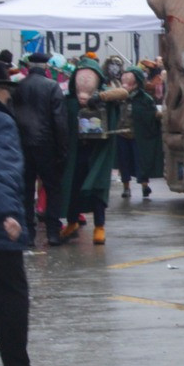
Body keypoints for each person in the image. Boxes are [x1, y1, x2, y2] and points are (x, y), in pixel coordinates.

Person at [0, 61, 56, 366]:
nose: (7, 96)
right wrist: (9, 214)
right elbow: (2, 172)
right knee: (11, 296)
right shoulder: (0, 122)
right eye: (5, 89)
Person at [60, 56, 128, 245]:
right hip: (75, 153)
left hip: (97, 153)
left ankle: (99, 226)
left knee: (97, 188)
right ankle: (72, 221)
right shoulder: (69, 101)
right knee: (73, 187)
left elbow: (122, 93)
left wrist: (99, 97)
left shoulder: (104, 98)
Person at [12, 52, 69, 247]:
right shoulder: (52, 87)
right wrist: (63, 150)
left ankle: (28, 233)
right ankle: (53, 232)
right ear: (46, 67)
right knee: (53, 189)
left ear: (28, 66)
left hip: (23, 145)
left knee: (27, 190)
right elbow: (60, 122)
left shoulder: (18, 87)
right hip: (47, 145)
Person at [115, 66, 163, 200]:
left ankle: (144, 186)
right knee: (123, 161)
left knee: (141, 161)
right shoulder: (119, 97)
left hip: (138, 136)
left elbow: (151, 114)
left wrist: (157, 115)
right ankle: (126, 187)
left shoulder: (145, 99)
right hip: (121, 134)